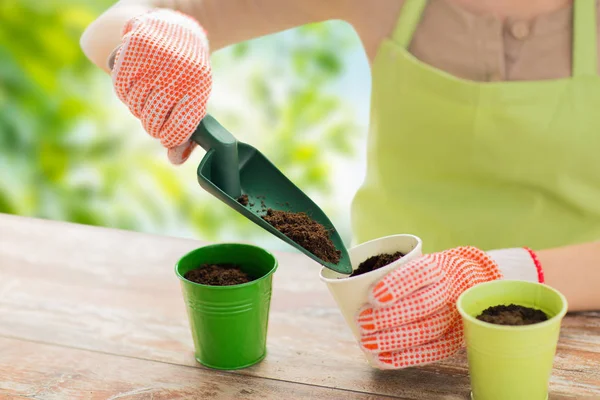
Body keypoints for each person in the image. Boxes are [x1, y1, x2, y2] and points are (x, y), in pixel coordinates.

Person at [81, 0, 600, 369]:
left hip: (575, 337)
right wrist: (160, 33)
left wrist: (495, 274)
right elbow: (111, 24)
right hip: (375, 326)